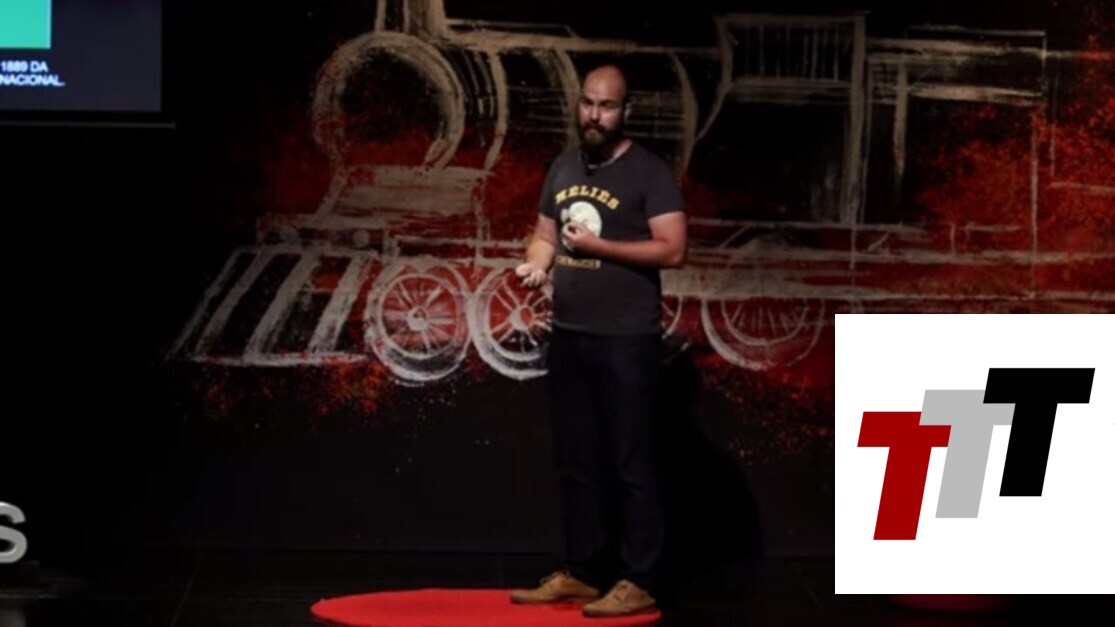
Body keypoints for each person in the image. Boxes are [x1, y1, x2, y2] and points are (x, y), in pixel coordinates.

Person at [508, 61, 687, 618]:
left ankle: (641, 578)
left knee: (632, 463)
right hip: (570, 337)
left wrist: (597, 248)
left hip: (626, 341)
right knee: (577, 461)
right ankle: (585, 572)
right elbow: (544, 236)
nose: (594, 114)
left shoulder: (649, 172)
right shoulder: (564, 166)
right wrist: (536, 265)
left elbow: (673, 249)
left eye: (606, 106)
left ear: (624, 111)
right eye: (588, 102)